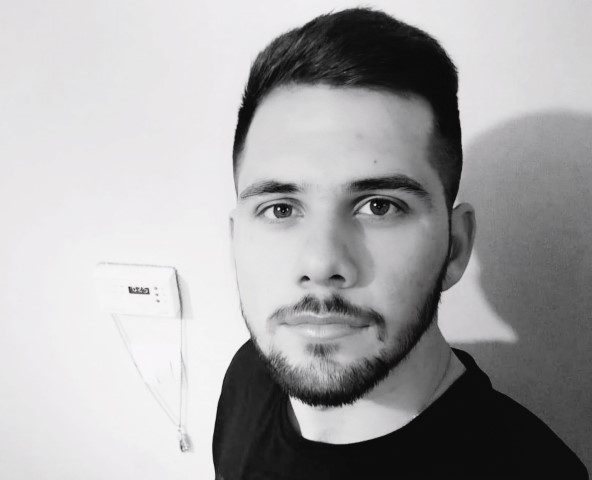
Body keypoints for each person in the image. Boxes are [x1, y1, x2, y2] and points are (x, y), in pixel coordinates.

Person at [212, 7, 588, 479]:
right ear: (235, 240)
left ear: (454, 247)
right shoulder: (248, 377)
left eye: (379, 206)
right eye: (280, 209)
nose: (321, 262)